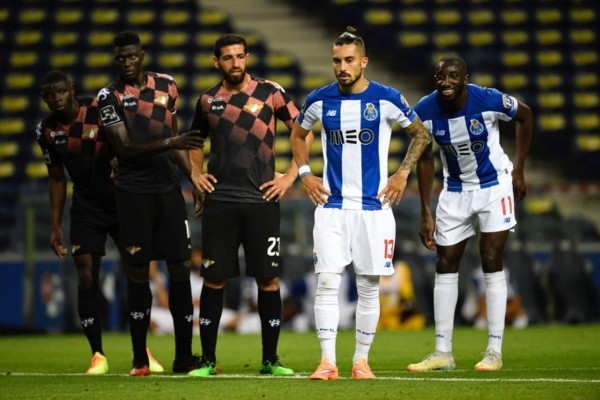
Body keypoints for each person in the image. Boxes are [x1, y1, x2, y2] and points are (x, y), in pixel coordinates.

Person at [289, 26, 430, 380]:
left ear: (363, 62)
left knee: (368, 286)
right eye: (337, 61)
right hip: (332, 207)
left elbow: (421, 134)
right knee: (326, 282)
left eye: (349, 60)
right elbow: (298, 134)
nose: (342, 67)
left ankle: (361, 361)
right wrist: (305, 173)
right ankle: (327, 361)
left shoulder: (386, 98)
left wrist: (403, 173)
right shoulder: (319, 100)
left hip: (374, 209)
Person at [186, 33, 311, 378]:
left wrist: (290, 176)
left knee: (268, 280)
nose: (235, 63)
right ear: (216, 61)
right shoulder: (207, 100)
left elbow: (303, 131)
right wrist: (196, 174)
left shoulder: (271, 92)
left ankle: (271, 359)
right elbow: (194, 141)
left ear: (247, 57)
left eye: (240, 56)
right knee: (214, 280)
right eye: (228, 57)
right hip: (221, 202)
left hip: (262, 200)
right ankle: (207, 361)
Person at [407, 55, 533, 372]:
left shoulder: (488, 99)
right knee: (445, 262)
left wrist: (519, 169)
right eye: (440, 77)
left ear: (465, 79)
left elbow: (525, 115)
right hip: (454, 191)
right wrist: (425, 211)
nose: (446, 82)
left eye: (453, 76)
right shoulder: (424, 110)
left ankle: (494, 351)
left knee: (491, 257)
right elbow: (425, 159)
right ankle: (442, 352)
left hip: (494, 185)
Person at [36, 70, 164, 375]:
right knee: (86, 275)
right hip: (86, 208)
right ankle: (97, 354)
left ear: (71, 89)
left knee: (137, 273)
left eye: (61, 91)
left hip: (122, 201)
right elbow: (56, 179)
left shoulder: (98, 109)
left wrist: (119, 159)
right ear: (44, 98)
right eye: (50, 94)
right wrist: (55, 226)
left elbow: (127, 142)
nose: (56, 98)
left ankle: (142, 350)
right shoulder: (46, 130)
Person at [97, 31, 205, 376]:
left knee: (180, 267)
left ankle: (184, 356)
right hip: (132, 193)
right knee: (138, 272)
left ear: (142, 55)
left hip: (168, 190)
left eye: (132, 56)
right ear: (115, 60)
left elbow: (175, 143)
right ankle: (140, 359)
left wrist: (194, 178)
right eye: (121, 58)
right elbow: (124, 148)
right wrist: (172, 141)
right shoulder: (108, 96)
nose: (127, 62)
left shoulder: (167, 86)